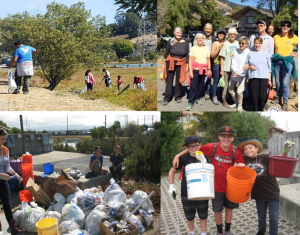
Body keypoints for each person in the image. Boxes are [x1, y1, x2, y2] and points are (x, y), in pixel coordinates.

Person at [173, 127, 245, 235]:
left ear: (233, 138)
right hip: (216, 187)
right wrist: (177, 155)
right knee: (217, 211)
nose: (226, 139)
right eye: (223, 136)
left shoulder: (236, 151)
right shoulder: (212, 147)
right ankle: (220, 232)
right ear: (219, 137)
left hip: (231, 187)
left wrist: (241, 166)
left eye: (229, 137)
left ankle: (228, 230)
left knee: (229, 208)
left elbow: (242, 168)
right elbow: (193, 149)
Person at [237, 139, 295, 235]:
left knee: (273, 217)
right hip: (258, 193)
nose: (248, 150)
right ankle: (261, 231)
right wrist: (239, 164)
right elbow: (236, 157)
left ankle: (273, 233)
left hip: (272, 192)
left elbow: (280, 159)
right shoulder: (245, 160)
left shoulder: (265, 157)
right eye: (245, 149)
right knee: (261, 215)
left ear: (257, 148)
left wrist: (286, 150)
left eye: (250, 148)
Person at [169, 136, 209, 235]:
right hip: (187, 191)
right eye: (191, 147)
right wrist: (171, 186)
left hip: (202, 191)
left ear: (200, 145)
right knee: (189, 214)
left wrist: (203, 160)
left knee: (203, 213)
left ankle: (203, 232)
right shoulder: (183, 158)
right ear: (186, 147)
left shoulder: (204, 157)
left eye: (196, 145)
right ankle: (191, 232)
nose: (194, 148)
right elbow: (171, 171)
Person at [0, 127, 25, 234]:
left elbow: (7, 168)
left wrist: (16, 175)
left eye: (5, 139)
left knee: (7, 203)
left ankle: (13, 228)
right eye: (2, 139)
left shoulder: (5, 150)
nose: (4, 141)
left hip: (3, 180)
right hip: (2, 177)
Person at [273, 20, 298, 110]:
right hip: (277, 61)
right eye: (284, 25)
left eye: (288, 26)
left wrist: (296, 54)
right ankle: (278, 97)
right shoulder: (276, 37)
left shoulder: (294, 37)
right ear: (281, 26)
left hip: (288, 62)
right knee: (278, 82)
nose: (285, 27)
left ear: (290, 28)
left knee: (285, 82)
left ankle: (285, 101)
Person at [244, 37, 272, 111]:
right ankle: (256, 110)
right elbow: (246, 65)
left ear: (261, 44)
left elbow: (269, 68)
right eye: (256, 43)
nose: (257, 45)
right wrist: (250, 66)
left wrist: (269, 80)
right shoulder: (250, 53)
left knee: (262, 96)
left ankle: (261, 108)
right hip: (253, 77)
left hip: (264, 77)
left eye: (259, 43)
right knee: (254, 96)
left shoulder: (266, 53)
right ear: (254, 44)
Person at [163, 27, 189, 105]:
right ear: (174, 33)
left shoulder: (185, 43)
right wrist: (164, 64)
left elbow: (187, 55)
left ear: (182, 34)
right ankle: (167, 97)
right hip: (170, 62)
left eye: (180, 32)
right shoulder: (170, 42)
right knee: (169, 80)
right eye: (177, 32)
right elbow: (166, 53)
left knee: (179, 80)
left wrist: (187, 65)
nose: (179, 34)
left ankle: (178, 96)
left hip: (181, 63)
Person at [187, 33, 211, 111]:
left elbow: (208, 60)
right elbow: (190, 61)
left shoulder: (206, 48)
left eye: (201, 38)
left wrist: (209, 69)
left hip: (204, 70)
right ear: (196, 40)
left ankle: (197, 98)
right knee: (193, 86)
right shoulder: (193, 48)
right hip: (195, 70)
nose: (200, 39)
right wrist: (190, 71)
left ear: (203, 40)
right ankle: (191, 101)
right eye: (198, 38)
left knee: (201, 85)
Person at [228, 36, 250, 111]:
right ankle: (236, 102)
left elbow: (247, 65)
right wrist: (235, 71)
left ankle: (240, 105)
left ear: (246, 44)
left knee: (239, 91)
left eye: (243, 43)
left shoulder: (249, 53)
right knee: (230, 90)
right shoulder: (235, 51)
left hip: (243, 74)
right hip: (235, 73)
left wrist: (240, 72)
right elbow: (233, 63)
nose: (241, 45)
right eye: (240, 43)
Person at [219, 28, 239, 107]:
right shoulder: (225, 44)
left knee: (233, 85)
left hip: (235, 69)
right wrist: (222, 69)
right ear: (228, 35)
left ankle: (232, 99)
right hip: (227, 68)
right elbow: (222, 58)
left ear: (236, 35)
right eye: (231, 34)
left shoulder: (238, 43)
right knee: (226, 86)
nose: (232, 35)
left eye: (234, 34)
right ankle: (224, 99)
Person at [210, 28, 226, 105]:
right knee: (216, 81)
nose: (221, 34)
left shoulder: (226, 43)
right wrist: (219, 48)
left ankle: (222, 97)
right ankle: (214, 96)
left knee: (223, 82)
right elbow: (212, 55)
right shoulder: (215, 43)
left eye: (223, 33)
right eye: (220, 33)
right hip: (216, 64)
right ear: (217, 34)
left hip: (225, 65)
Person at [203, 23, 216, 100]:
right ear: (204, 29)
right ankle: (206, 92)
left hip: (212, 60)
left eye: (209, 29)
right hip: (203, 60)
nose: (208, 30)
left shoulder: (214, 39)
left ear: (212, 30)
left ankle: (213, 92)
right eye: (207, 29)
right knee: (206, 76)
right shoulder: (200, 38)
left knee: (212, 75)